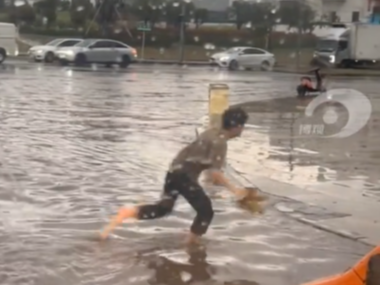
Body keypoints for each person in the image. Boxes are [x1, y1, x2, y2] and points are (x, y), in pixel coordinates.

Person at [100, 107, 250, 244]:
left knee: (163, 209)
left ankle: (128, 212)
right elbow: (215, 174)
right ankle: (191, 245)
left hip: (174, 171)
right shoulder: (220, 143)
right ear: (237, 126)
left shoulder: (211, 132)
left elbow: (206, 166)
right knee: (206, 212)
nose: (242, 130)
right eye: (243, 126)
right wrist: (236, 190)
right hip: (184, 176)